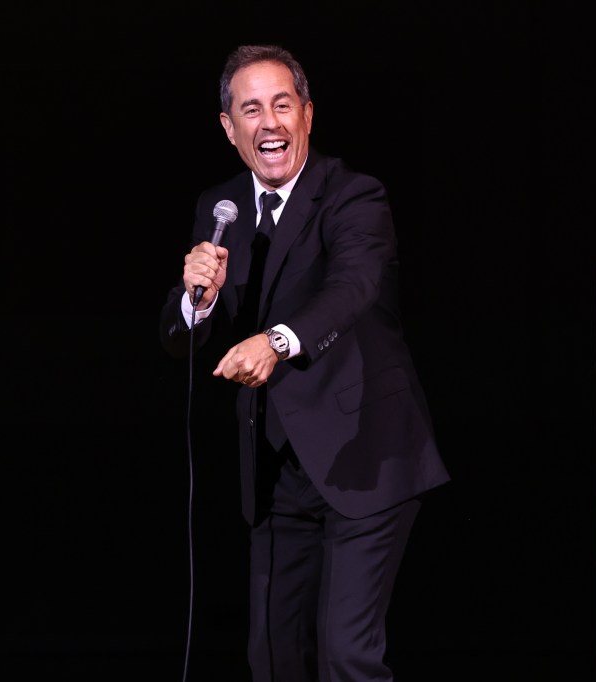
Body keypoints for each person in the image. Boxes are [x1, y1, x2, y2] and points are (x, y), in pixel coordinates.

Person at [158, 44, 451, 681]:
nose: (271, 123)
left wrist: (277, 341)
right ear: (229, 128)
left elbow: (351, 288)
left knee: (347, 655)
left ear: (308, 116)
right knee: (272, 657)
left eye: (283, 105)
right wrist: (195, 299)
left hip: (365, 458)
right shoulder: (222, 207)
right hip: (274, 473)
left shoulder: (353, 196)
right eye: (252, 109)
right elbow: (179, 336)